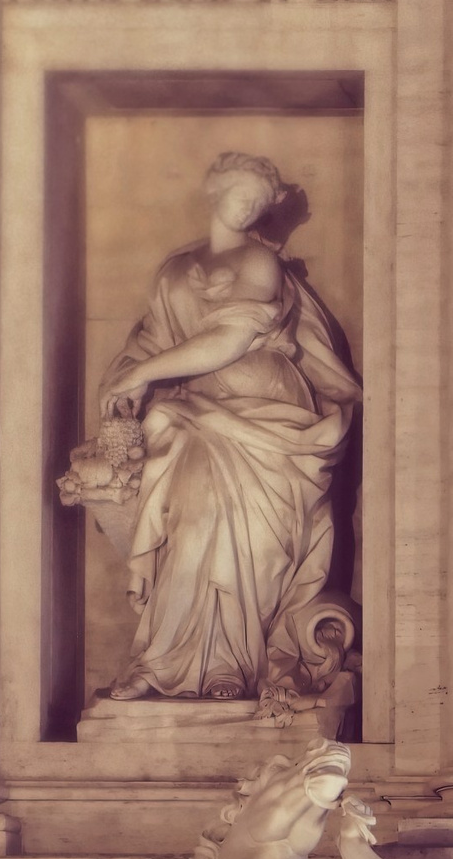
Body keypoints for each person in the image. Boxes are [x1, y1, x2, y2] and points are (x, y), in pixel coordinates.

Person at [99, 152, 359, 701]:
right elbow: (149, 343)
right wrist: (124, 385)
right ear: (214, 190)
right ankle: (166, 662)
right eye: (242, 193)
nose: (251, 207)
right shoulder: (173, 272)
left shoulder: (260, 265)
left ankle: (233, 668)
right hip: (198, 417)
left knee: (256, 548)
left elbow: (230, 339)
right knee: (192, 529)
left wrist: (145, 374)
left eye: (260, 203)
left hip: (268, 415)